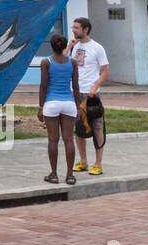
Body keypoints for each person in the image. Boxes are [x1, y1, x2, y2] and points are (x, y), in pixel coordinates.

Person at [66, 17, 110, 175]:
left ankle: (98, 163)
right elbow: (62, 62)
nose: (73, 30)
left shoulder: (97, 48)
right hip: (75, 93)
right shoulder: (73, 47)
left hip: (90, 94)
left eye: (77, 28)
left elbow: (105, 71)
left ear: (86, 29)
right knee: (79, 129)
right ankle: (83, 161)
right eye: (73, 27)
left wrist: (95, 86)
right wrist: (69, 47)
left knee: (97, 128)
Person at [38, 35, 82, 185]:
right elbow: (76, 87)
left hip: (51, 103)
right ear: (64, 47)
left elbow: (43, 86)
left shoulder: (46, 62)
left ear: (51, 46)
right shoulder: (73, 62)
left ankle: (54, 174)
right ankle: (70, 175)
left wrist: (40, 107)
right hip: (69, 103)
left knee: (53, 140)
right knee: (68, 139)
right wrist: (78, 107)